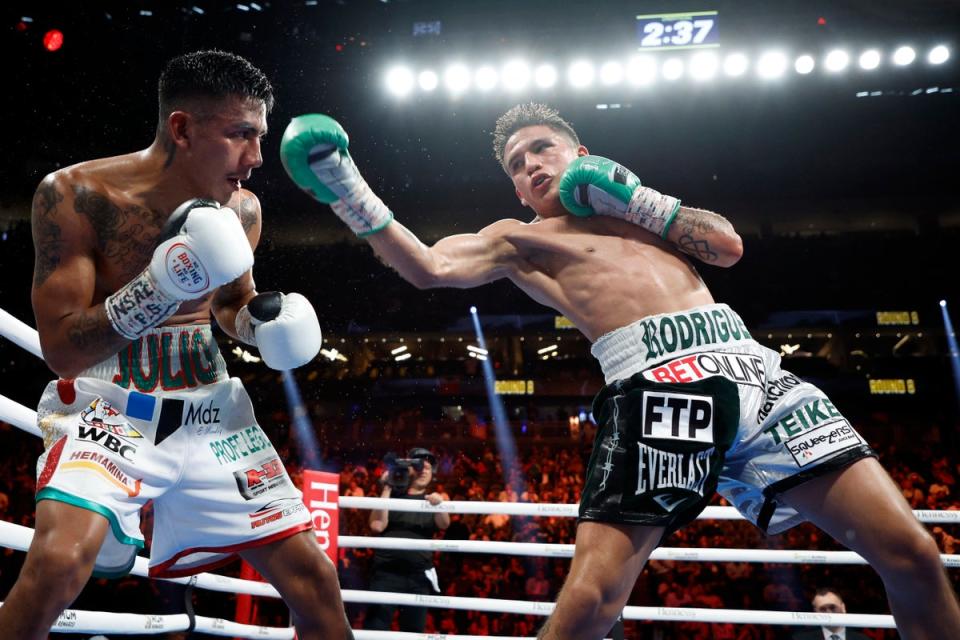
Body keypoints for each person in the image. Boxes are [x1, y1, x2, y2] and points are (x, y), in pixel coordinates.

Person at [278, 103, 960, 639]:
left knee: (912, 554)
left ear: (579, 153)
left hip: (753, 369)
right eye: (517, 164)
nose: (531, 165)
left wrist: (633, 199)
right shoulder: (520, 238)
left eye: (541, 148)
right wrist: (347, 187)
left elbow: (726, 247)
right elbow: (428, 267)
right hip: (657, 385)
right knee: (594, 598)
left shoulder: (638, 210)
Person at [1, 51, 352, 639]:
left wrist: (261, 327)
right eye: (241, 134)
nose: (257, 157)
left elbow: (229, 300)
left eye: (260, 136)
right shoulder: (77, 195)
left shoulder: (242, 209)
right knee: (58, 565)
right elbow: (62, 349)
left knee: (316, 584)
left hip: (212, 413)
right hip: (109, 405)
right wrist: (160, 286)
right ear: (182, 128)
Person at [365, 448, 450, 631]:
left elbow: (444, 524)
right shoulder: (392, 496)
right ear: (409, 469)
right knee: (375, 630)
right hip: (386, 574)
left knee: (413, 633)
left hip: (418, 576)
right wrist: (387, 487)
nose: (424, 471)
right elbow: (377, 526)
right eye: (420, 467)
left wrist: (439, 504)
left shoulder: (433, 500)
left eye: (428, 468)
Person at [792, 588, 870, 640]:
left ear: (843, 607)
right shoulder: (801, 638)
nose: (829, 612)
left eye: (833, 607)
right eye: (823, 609)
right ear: (816, 612)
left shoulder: (862, 639)